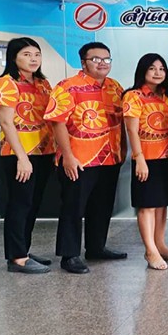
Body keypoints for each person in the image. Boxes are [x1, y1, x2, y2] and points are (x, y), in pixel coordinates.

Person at [44, 42, 126, 274]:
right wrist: (67, 156)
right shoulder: (68, 87)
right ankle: (69, 255)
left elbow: (121, 121)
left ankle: (96, 247)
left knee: (102, 205)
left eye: (106, 59)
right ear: (83, 62)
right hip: (79, 159)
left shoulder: (115, 87)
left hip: (110, 157)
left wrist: (123, 150)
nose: (102, 63)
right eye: (96, 59)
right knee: (73, 207)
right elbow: (57, 122)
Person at [0, 37, 55, 274]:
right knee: (19, 204)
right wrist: (22, 158)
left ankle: (24, 250)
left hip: (43, 151)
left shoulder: (43, 84)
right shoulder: (6, 83)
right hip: (19, 153)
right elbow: (6, 123)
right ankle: (17, 257)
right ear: (14, 57)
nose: (33, 59)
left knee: (33, 203)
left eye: (37, 55)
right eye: (27, 55)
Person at [122, 54, 168, 271]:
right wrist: (139, 158)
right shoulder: (133, 96)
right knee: (147, 205)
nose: (158, 73)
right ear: (142, 71)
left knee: (161, 203)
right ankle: (150, 250)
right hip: (147, 158)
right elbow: (131, 130)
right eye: (152, 68)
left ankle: (160, 244)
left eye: (161, 69)